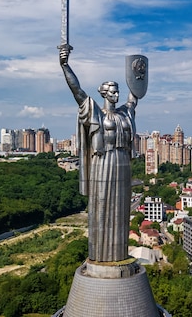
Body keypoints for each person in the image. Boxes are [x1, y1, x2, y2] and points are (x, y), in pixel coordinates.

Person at [60, 47, 137, 262]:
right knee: (102, 205)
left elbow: (135, 93)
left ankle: (119, 253)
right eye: (112, 90)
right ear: (103, 93)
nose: (116, 93)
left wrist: (137, 74)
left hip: (122, 161)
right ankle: (101, 254)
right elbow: (77, 91)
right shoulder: (95, 111)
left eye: (118, 90)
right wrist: (65, 66)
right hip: (103, 162)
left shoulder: (125, 112)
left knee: (121, 208)